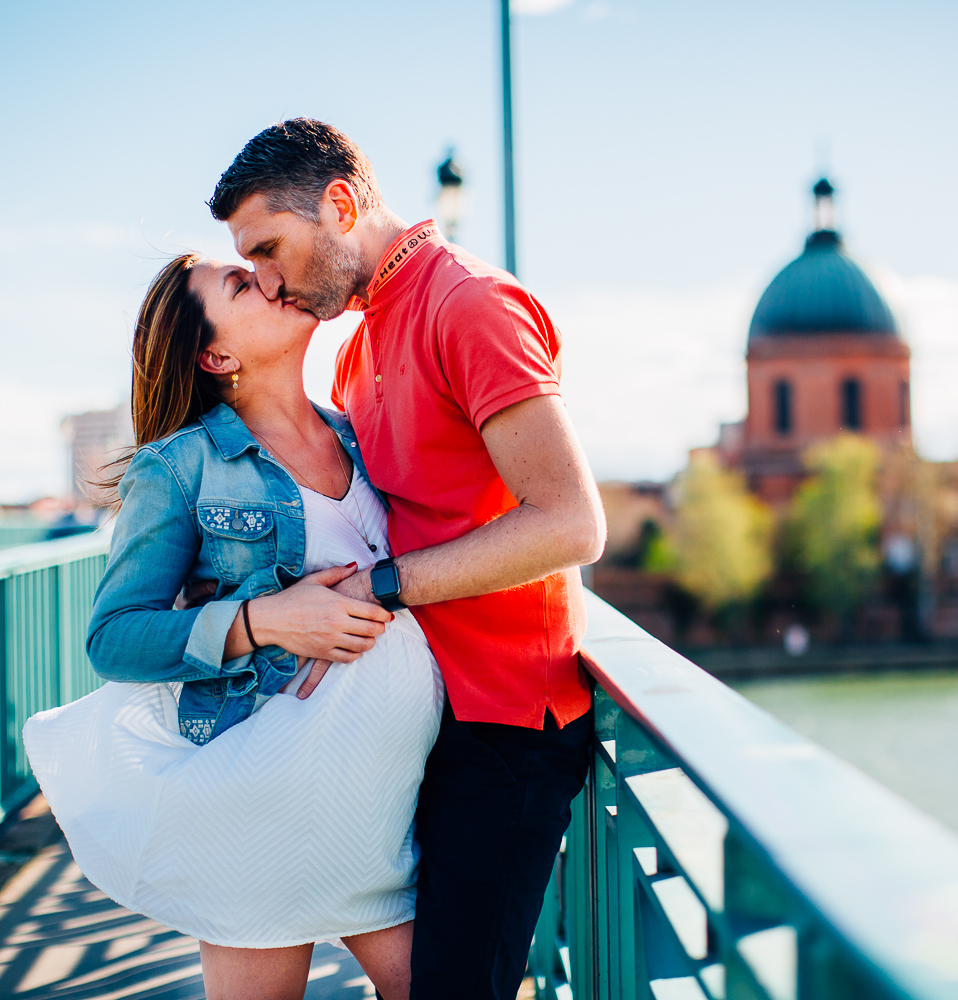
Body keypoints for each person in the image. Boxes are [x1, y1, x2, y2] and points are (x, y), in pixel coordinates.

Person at [208, 118, 607, 1000]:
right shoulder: (358, 345)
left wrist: (381, 589)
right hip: (413, 715)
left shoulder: (468, 303)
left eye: (271, 249)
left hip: (505, 723)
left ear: (340, 205)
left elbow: (574, 524)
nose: (267, 281)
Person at [23, 252, 444, 1000]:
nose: (274, 281)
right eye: (244, 285)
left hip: (387, 802)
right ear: (216, 355)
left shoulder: (364, 435)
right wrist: (266, 618)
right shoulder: (181, 468)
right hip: (267, 804)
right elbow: (114, 636)